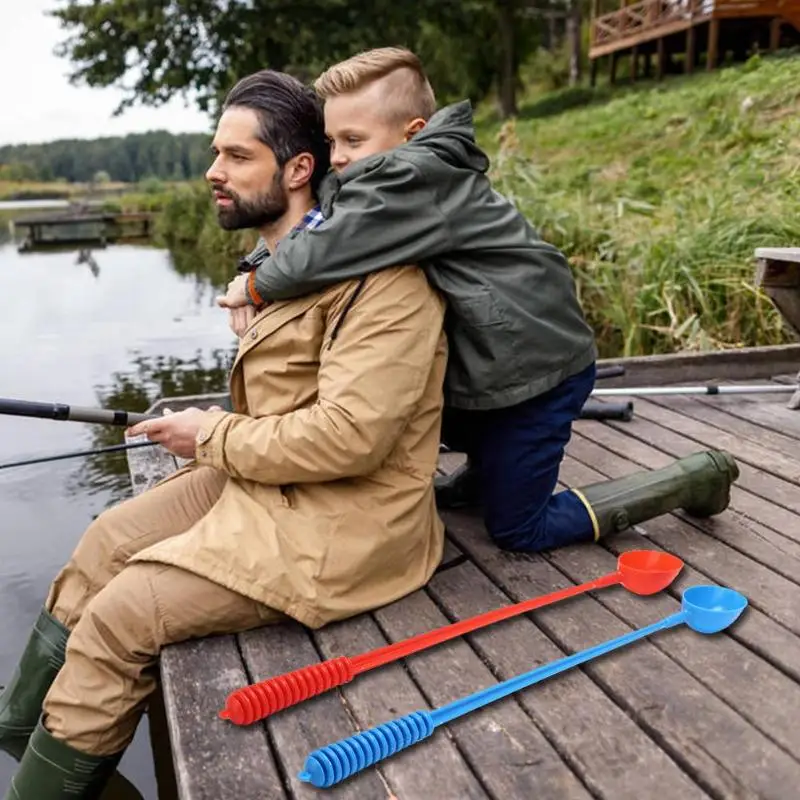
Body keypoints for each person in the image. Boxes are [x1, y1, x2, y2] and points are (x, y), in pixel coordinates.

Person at [1, 69, 448, 799]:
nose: (213, 171)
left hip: (350, 518)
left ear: (299, 169)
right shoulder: (285, 261)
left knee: (120, 617)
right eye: (217, 153)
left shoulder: (388, 278)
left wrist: (209, 434)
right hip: (269, 477)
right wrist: (250, 292)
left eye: (237, 157)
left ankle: (48, 783)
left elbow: (350, 440)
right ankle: (30, 741)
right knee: (101, 548)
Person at [217, 46, 740, 553]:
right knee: (411, 404)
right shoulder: (385, 176)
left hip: (539, 375)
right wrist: (256, 264)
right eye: (332, 141)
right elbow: (322, 224)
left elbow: (328, 245)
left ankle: (692, 479)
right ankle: (485, 474)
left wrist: (255, 286)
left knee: (519, 531)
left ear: (412, 134)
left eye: (354, 139)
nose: (340, 158)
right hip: (495, 364)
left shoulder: (413, 178)